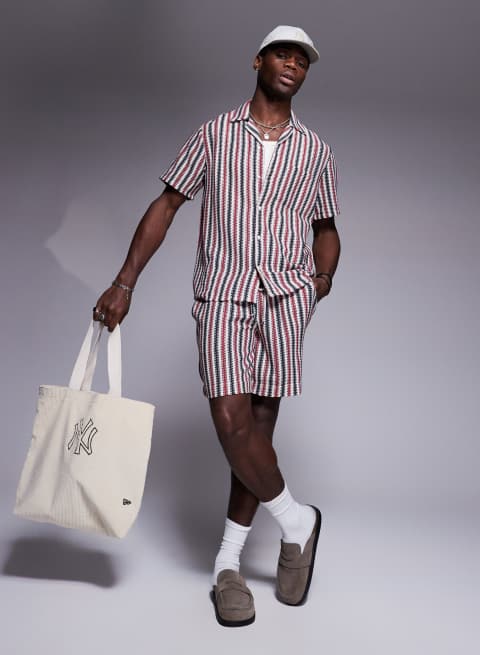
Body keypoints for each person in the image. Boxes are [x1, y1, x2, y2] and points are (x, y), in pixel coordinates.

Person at [93, 25, 340, 627]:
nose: (292, 65)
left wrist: (320, 280)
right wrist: (124, 282)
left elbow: (327, 227)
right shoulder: (213, 135)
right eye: (283, 54)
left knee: (259, 430)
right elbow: (166, 206)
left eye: (303, 61)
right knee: (232, 424)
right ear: (258, 61)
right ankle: (298, 522)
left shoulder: (316, 151)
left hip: (285, 300)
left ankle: (227, 566)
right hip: (224, 296)